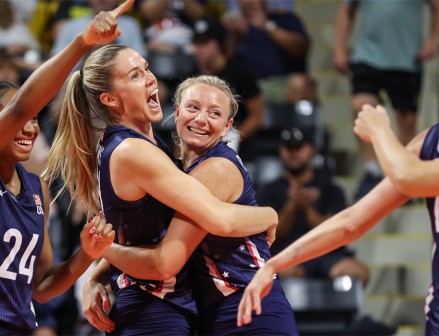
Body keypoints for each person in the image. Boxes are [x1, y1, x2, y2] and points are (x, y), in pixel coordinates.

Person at [43, 30, 279, 336]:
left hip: (165, 307)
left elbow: (134, 234)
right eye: (136, 75)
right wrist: (269, 215)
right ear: (111, 99)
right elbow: (217, 218)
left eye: (147, 68)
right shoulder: (133, 151)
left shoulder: (146, 146)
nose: (151, 79)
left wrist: (100, 267)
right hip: (153, 310)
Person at [81, 75, 297, 335]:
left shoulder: (215, 169)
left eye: (214, 113)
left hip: (250, 307)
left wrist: (101, 251)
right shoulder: (173, 172)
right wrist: (97, 275)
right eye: (193, 107)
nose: (201, 119)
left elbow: (164, 262)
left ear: (227, 126)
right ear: (178, 111)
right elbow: (149, 237)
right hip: (213, 313)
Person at [237, 103, 439, 334]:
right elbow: (351, 221)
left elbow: (408, 175)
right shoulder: (431, 139)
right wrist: (273, 265)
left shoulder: (427, 141)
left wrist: (379, 130)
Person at [0, 1, 139, 333]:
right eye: (20, 118)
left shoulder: (37, 190)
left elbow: (42, 287)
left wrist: (87, 253)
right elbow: (22, 105)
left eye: (35, 119)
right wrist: (82, 42)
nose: (30, 127)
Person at [333, 0, 439, 200]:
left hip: (406, 58)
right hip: (367, 55)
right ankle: (371, 169)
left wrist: (433, 40)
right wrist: (339, 48)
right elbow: (346, 10)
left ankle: (404, 176)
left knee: (407, 120)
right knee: (361, 106)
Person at [256, 126, 369, 285]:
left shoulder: (331, 189)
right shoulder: (268, 190)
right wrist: (293, 205)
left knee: (358, 273)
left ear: (312, 150)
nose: (293, 152)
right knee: (274, 274)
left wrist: (308, 209)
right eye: (288, 147)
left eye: (299, 147)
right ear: (281, 150)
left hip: (326, 254)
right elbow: (271, 235)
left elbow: (336, 232)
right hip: (287, 253)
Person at [191, 17, 264, 160]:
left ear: (218, 44)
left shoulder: (240, 71)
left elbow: (257, 116)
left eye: (204, 43)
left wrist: (233, 137)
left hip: (240, 150)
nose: (197, 49)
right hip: (200, 147)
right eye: (196, 43)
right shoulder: (192, 75)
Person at [224, 0, 317, 105]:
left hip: (281, 85)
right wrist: (236, 38)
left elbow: (301, 49)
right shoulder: (231, 27)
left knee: (300, 83)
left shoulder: (286, 19)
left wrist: (267, 26)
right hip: (245, 88)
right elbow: (221, 64)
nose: (250, 2)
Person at [50, 0, 147, 71]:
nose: (101, 0)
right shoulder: (70, 26)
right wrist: (86, 48)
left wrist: (113, 46)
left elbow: (140, 61)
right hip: (77, 81)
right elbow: (56, 63)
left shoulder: (131, 25)